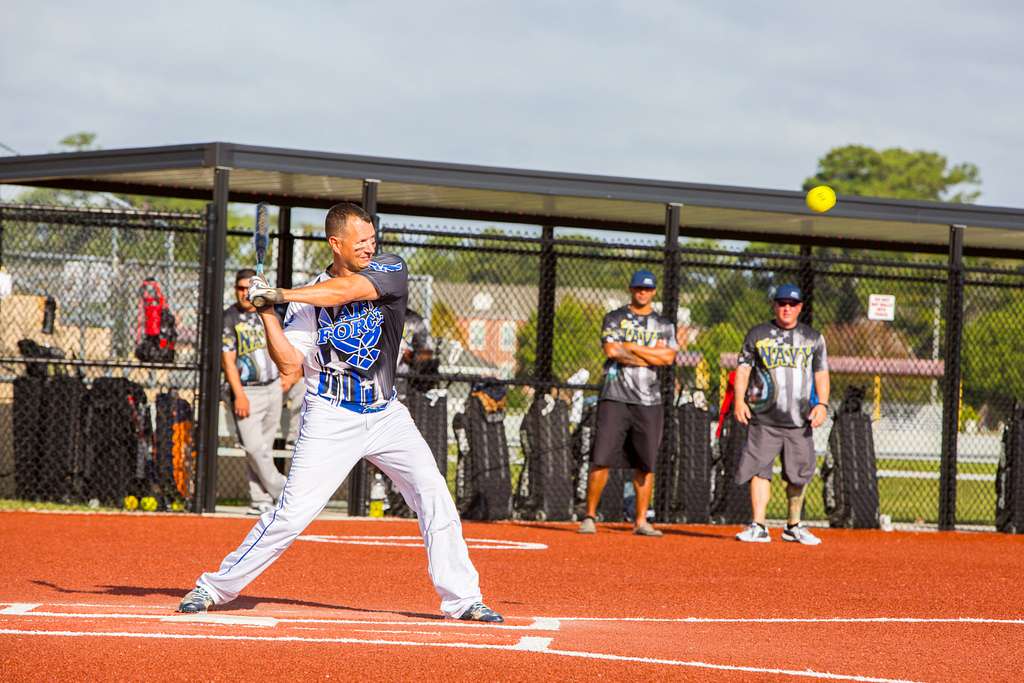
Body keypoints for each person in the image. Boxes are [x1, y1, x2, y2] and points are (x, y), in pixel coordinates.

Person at [178, 202, 502, 623]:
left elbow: (348, 292)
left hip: (386, 414)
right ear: (335, 243)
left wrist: (281, 293)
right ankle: (213, 588)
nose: (369, 247)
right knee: (292, 513)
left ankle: (463, 599)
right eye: (360, 241)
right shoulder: (307, 299)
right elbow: (291, 363)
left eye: (371, 238)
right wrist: (268, 315)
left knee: (433, 493)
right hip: (331, 415)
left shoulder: (390, 269)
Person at [578, 269, 677, 537]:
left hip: (649, 400)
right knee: (601, 458)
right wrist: (649, 354)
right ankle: (589, 516)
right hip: (615, 397)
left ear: (654, 291)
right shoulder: (616, 317)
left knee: (646, 463)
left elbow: (668, 357)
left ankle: (641, 520)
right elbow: (612, 351)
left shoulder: (664, 324)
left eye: (646, 289)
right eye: (637, 288)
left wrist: (632, 347)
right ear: (631, 290)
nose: (642, 293)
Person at [733, 283, 830, 545]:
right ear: (774, 305)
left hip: (799, 419)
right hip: (764, 417)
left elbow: (821, 372)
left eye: (792, 304)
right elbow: (742, 369)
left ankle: (793, 525)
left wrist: (822, 404)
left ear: (800, 307)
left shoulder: (813, 338)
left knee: (799, 473)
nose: (787, 308)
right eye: (782, 303)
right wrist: (739, 400)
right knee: (759, 469)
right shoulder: (758, 334)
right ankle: (758, 525)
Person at [221, 268, 289, 515]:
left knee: (263, 449)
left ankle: (260, 500)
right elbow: (228, 361)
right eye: (238, 288)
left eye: (245, 288)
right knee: (253, 447)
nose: (242, 293)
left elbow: (285, 344)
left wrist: (287, 377)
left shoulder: (270, 312)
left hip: (272, 387)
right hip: (247, 391)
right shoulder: (229, 318)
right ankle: (282, 490)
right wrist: (239, 394)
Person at [396, 307, 435, 399]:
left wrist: (411, 356)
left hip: (403, 378)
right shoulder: (377, 314)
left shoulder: (414, 320)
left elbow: (427, 353)